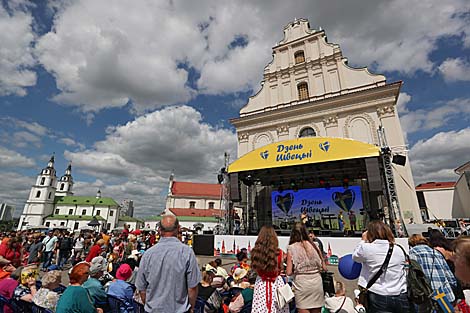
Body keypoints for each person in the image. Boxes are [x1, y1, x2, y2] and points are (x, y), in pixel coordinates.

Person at [135, 215, 201, 312]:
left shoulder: (148, 254)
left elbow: (141, 287)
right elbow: (192, 287)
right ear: (178, 229)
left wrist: (149, 305)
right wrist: (191, 307)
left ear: (159, 230)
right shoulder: (187, 252)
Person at [352, 221, 409, 313]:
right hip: (401, 294)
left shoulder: (367, 248)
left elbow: (355, 257)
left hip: (379, 294)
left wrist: (363, 240)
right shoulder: (399, 249)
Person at [408, 234, 457, 312]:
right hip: (443, 295)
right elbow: (450, 277)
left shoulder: (411, 254)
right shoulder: (436, 253)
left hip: (426, 297)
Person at [286, 222, 325, 313]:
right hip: (316, 282)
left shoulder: (291, 248)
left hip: (302, 284)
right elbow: (323, 267)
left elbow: (288, 272)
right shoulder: (315, 245)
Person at [250, 225, 289, 313]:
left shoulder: (256, 252)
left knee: (261, 307)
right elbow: (281, 268)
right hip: (276, 283)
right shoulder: (279, 253)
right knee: (279, 307)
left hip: (261, 283)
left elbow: (255, 269)